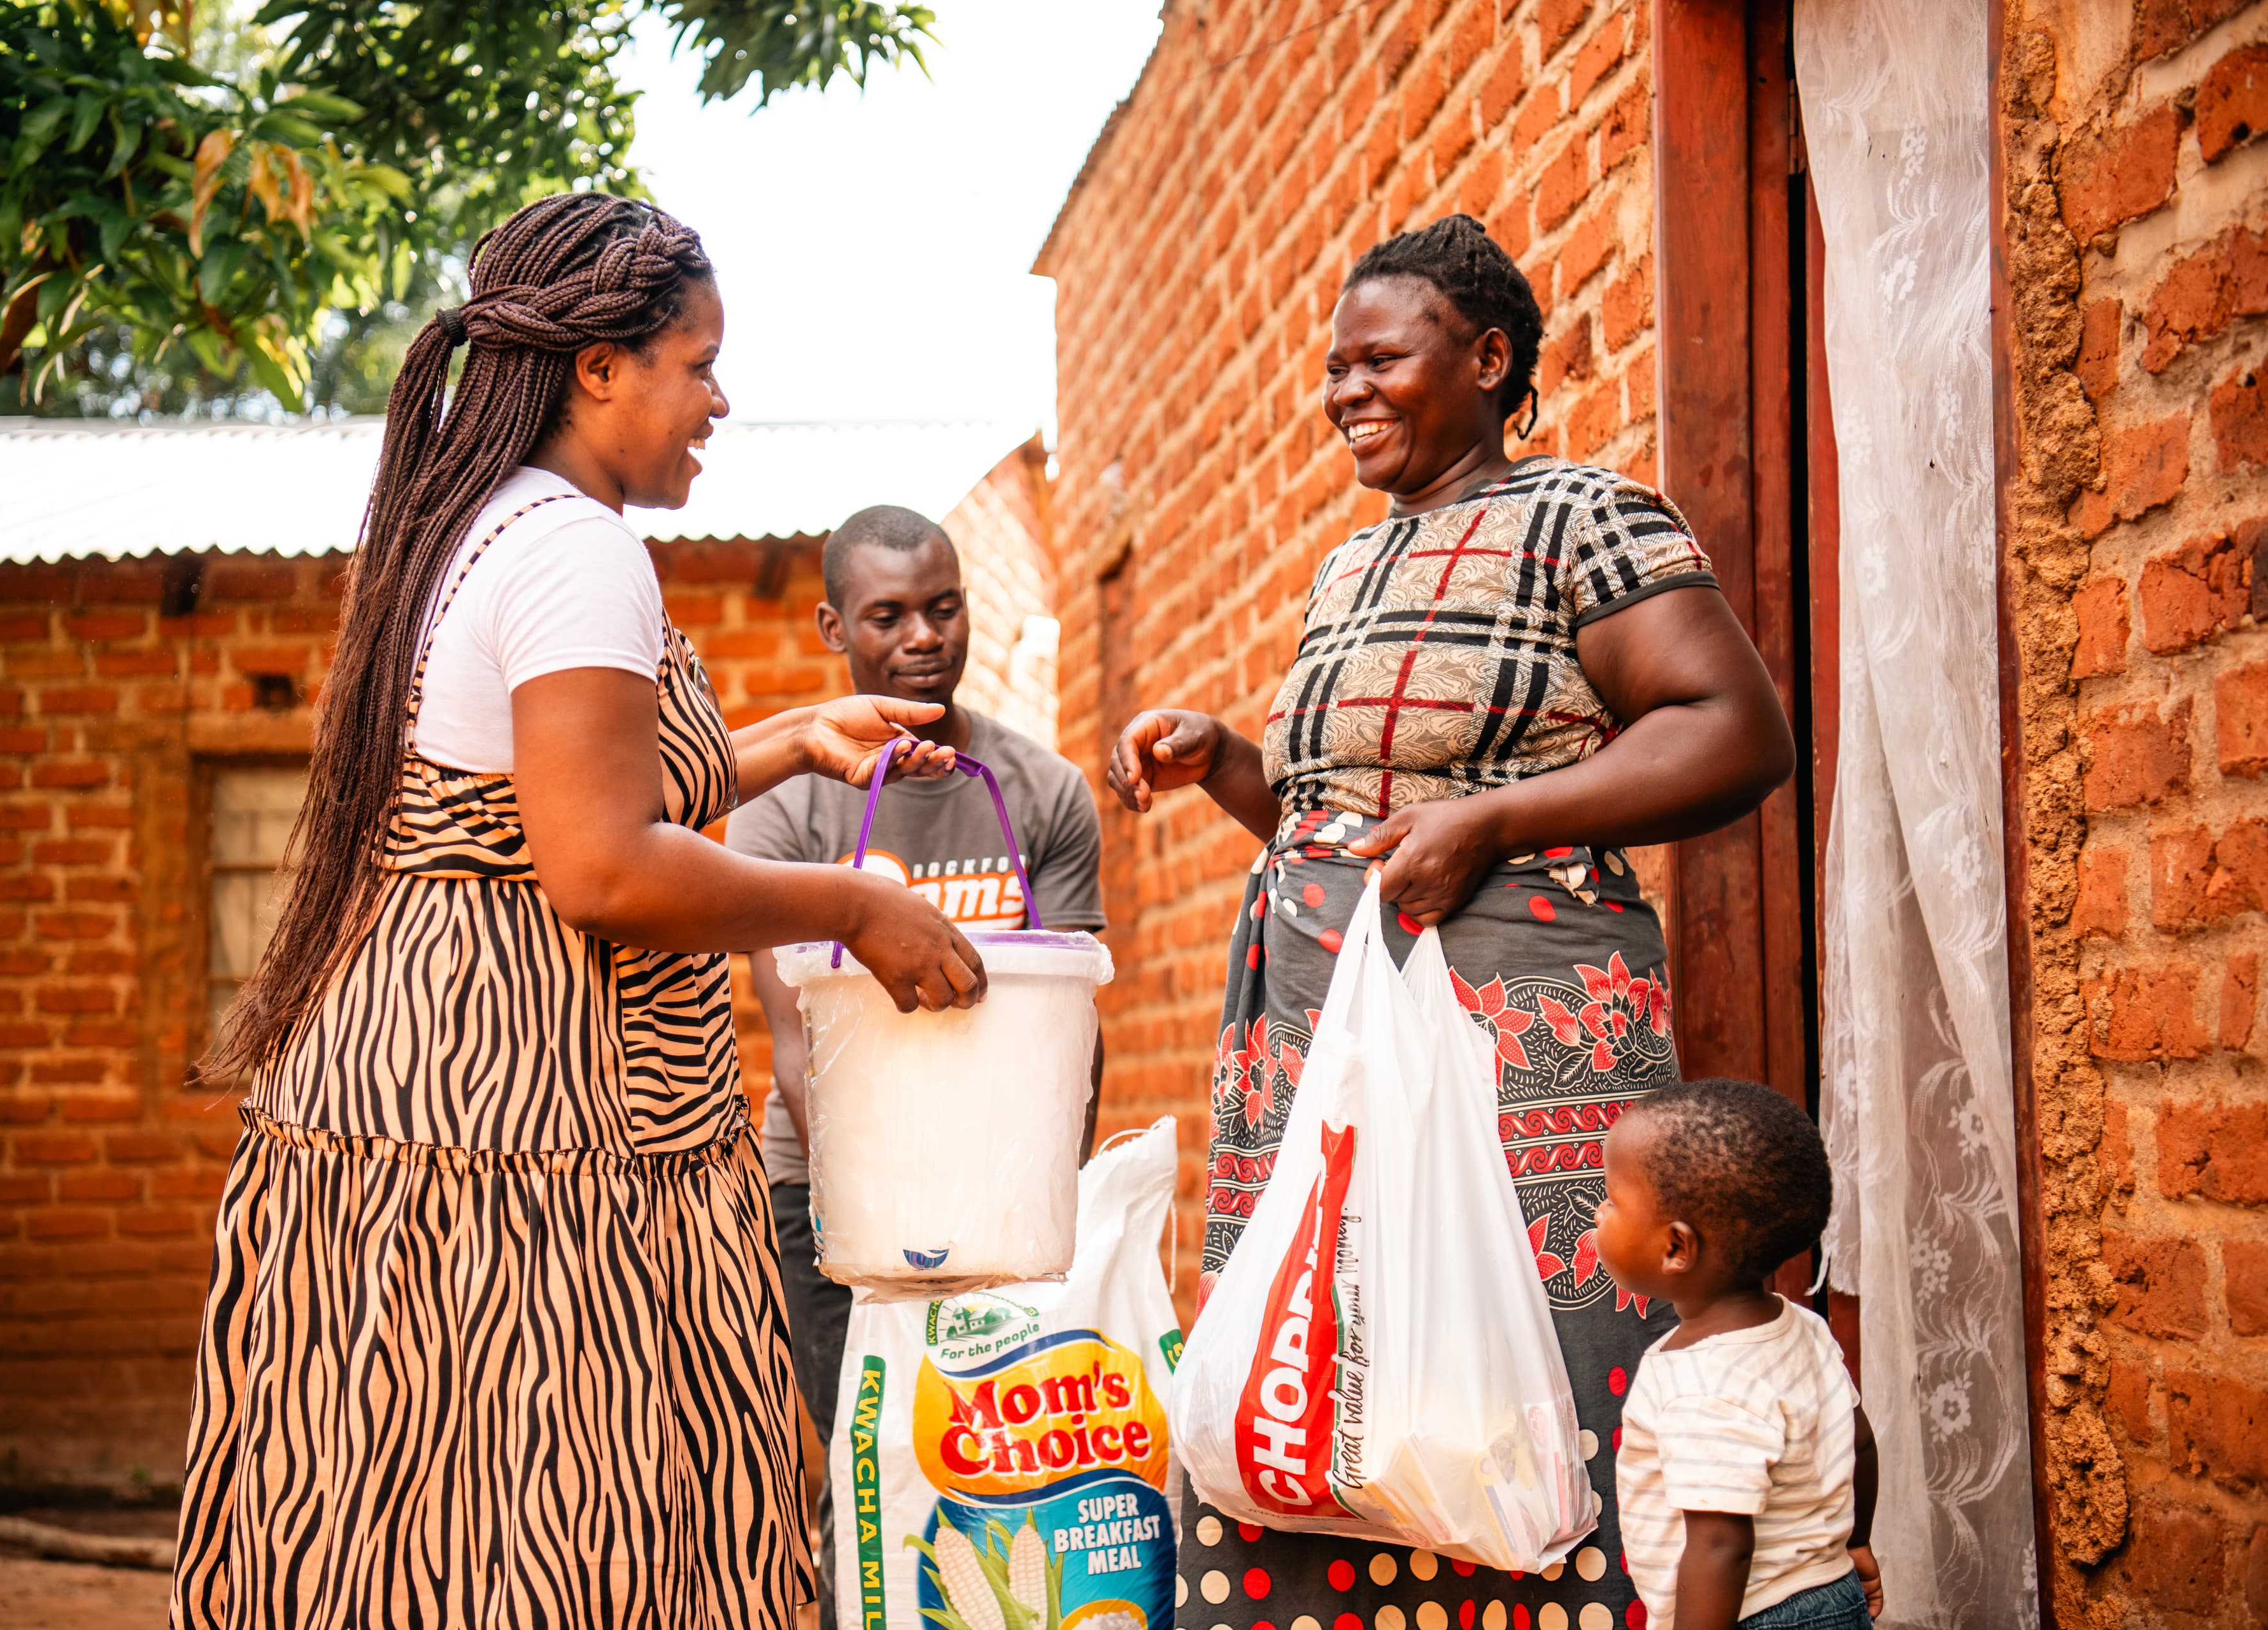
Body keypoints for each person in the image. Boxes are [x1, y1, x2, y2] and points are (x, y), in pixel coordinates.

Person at [173, 194, 987, 1630]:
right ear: (599, 368)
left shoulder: (480, 527)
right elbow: (601, 865)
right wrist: (859, 904)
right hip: (531, 1112)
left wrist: (795, 737)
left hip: (417, 1086)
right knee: (573, 1520)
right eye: (699, 361)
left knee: (426, 1532)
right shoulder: (576, 550)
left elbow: (528, 808)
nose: (719, 399)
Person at [1109, 214, 1794, 1627]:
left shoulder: (1584, 518)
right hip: (1331, 1038)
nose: (1345, 390)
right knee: (1335, 1351)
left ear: (1488, 359)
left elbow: (1736, 731)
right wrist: (1232, 760)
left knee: (1515, 1349)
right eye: (1334, 366)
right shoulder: (1348, 567)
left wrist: (1494, 820)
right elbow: (1366, 834)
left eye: (1381, 358)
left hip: (1513, 1044)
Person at [728, 504, 1105, 1627]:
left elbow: (1073, 1040)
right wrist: (886, 1227)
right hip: (829, 1203)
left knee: (998, 1472)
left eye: (944, 607)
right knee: (872, 1460)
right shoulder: (787, 810)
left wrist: (1040, 1211)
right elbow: (796, 1045)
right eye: (889, 616)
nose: (925, 637)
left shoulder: (1043, 793)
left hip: (1005, 1206)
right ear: (833, 624)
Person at [1597, 1079, 1882, 1629]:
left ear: (1676, 1247)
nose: (1598, 1215)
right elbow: (1859, 1440)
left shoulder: (1697, 1382)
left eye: (1612, 1202)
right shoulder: (1803, 1328)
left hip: (1756, 1616)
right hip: (1835, 1590)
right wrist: (1860, 1541)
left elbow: (1722, 1546)